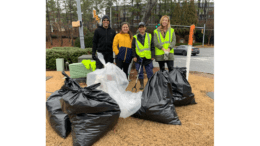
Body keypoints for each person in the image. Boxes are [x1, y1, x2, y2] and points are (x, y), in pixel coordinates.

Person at [132, 22, 155, 90]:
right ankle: (142, 84)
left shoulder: (150, 36)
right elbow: (133, 48)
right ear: (138, 29)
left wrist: (152, 55)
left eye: (143, 27)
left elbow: (152, 46)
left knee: (149, 72)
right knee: (140, 72)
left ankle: (150, 84)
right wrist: (134, 56)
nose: (142, 28)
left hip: (148, 58)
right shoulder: (135, 37)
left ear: (145, 28)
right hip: (139, 58)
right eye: (140, 27)